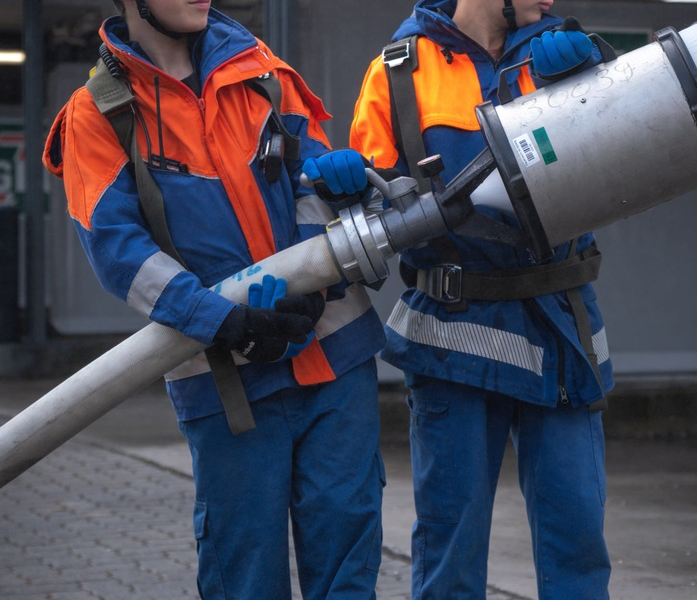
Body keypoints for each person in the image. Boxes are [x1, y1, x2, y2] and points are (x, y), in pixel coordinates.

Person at [42, 1, 386, 598]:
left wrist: (314, 281)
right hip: (228, 383)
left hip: (335, 358)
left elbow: (311, 179)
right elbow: (121, 254)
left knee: (348, 570)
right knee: (245, 573)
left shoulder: (262, 71)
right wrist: (227, 322)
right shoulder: (97, 114)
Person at [346, 1, 615, 598]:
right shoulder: (398, 73)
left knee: (577, 541)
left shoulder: (562, 57)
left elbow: (632, 153)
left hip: (561, 335)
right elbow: (373, 206)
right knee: (452, 551)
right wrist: (348, 185)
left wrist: (598, 76)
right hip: (456, 343)